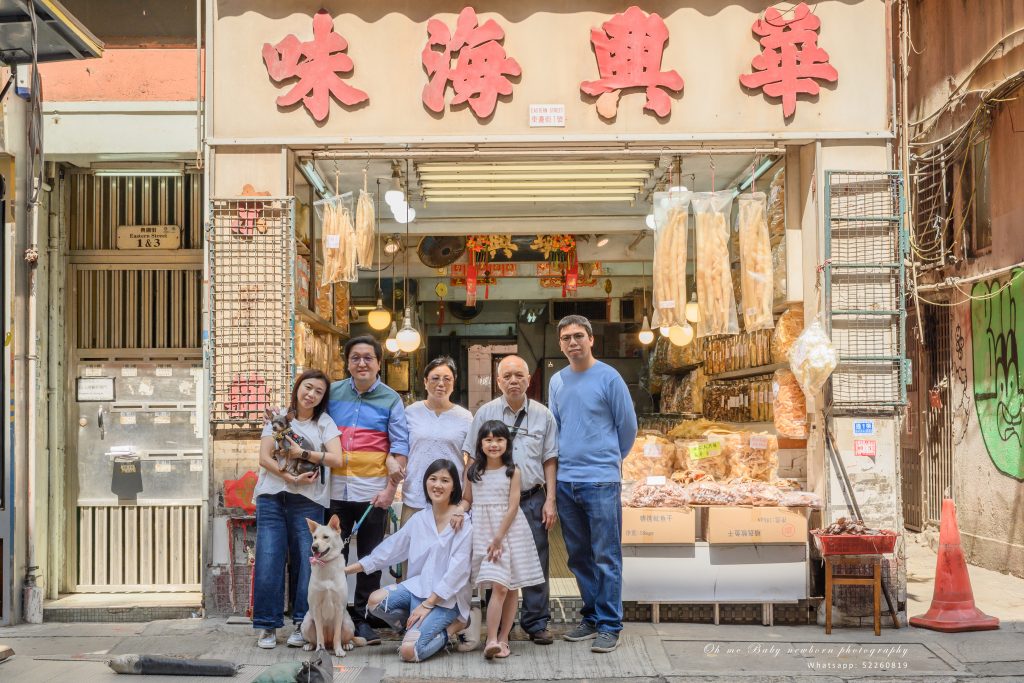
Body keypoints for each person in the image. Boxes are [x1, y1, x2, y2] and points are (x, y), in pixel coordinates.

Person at [547, 315, 638, 654]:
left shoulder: (609, 378)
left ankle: (610, 624)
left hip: (601, 482)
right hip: (568, 482)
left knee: (606, 556)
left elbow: (627, 428)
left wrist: (609, 460)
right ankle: (591, 615)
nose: (573, 342)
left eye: (579, 336)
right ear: (560, 344)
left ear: (590, 340)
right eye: (567, 337)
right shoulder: (557, 381)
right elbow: (555, 429)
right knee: (579, 557)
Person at [459, 355, 558, 644]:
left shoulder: (543, 415)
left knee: (535, 559)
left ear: (529, 379)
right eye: (507, 376)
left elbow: (550, 459)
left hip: (530, 498)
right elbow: (470, 455)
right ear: (498, 381)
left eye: (519, 375)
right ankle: (499, 626)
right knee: (495, 560)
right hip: (493, 503)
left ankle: (536, 622)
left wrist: (550, 499)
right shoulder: (485, 413)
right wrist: (469, 499)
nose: (514, 381)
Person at [345, 458, 473, 663]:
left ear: (454, 487)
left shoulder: (463, 523)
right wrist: (348, 569)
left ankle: (453, 628)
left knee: (409, 652)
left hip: (447, 598)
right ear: (425, 483)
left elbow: (459, 571)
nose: (437, 485)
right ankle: (417, 627)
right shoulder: (420, 518)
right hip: (418, 587)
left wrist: (429, 604)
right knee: (375, 602)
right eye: (433, 479)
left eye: (445, 481)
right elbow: (391, 548)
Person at [253, 370, 345, 650]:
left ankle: (302, 624)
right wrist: (289, 478)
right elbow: (264, 457)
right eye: (308, 387)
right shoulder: (279, 417)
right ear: (298, 388)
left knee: (308, 562)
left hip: (308, 501)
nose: (311, 394)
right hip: (272, 496)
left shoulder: (324, 423)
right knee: (269, 558)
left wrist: (302, 454)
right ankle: (267, 626)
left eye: (318, 391)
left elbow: (337, 458)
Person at [327, 335, 409, 645]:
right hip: (333, 490)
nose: (362, 363)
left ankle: (362, 618)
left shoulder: (390, 399)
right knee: (334, 555)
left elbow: (400, 446)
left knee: (371, 558)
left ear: (378, 363)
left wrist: (391, 490)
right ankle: (335, 617)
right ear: (347, 363)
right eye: (355, 357)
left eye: (368, 358)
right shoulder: (332, 393)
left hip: (373, 491)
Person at [464, 420, 544, 660]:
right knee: (498, 586)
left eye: (499, 439)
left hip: (510, 532)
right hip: (483, 533)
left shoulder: (513, 471)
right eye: (488, 440)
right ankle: (491, 639)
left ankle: (502, 639)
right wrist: (459, 510)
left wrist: (498, 537)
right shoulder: (472, 470)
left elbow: (512, 507)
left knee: (508, 588)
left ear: (507, 443)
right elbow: (467, 499)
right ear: (480, 443)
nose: (494, 444)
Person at [402, 356, 473, 525]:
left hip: (450, 501)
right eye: (435, 378)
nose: (441, 383)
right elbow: (398, 448)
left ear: (453, 383)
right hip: (415, 497)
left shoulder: (465, 417)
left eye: (447, 379)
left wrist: (465, 500)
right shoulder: (410, 412)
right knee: (411, 549)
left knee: (449, 550)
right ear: (425, 382)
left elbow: (473, 460)